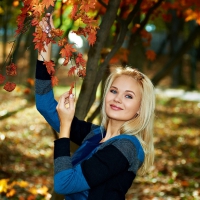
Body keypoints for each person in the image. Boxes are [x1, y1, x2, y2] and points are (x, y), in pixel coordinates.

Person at [35, 14, 155, 200]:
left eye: (129, 96)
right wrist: (45, 39)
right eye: (114, 91)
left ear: (140, 108)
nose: (117, 99)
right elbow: (44, 104)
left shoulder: (128, 146)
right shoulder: (95, 134)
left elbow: (64, 184)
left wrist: (65, 128)